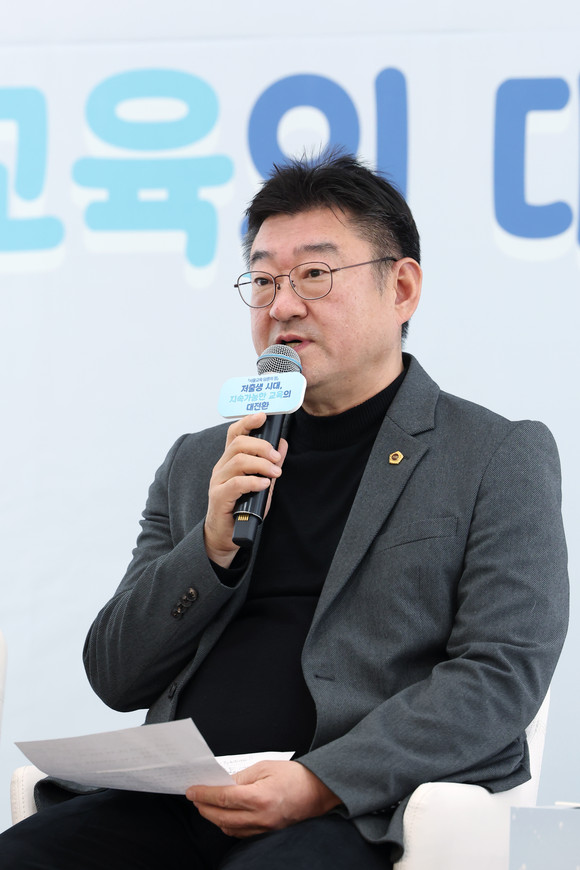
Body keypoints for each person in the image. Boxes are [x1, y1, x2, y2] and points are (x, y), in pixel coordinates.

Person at [0, 152, 568, 869]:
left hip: (353, 810)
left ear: (402, 288)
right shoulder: (201, 461)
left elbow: (499, 673)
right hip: (176, 801)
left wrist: (318, 782)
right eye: (264, 280)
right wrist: (209, 549)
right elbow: (116, 675)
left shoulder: (494, 455)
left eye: (314, 275)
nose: (283, 306)